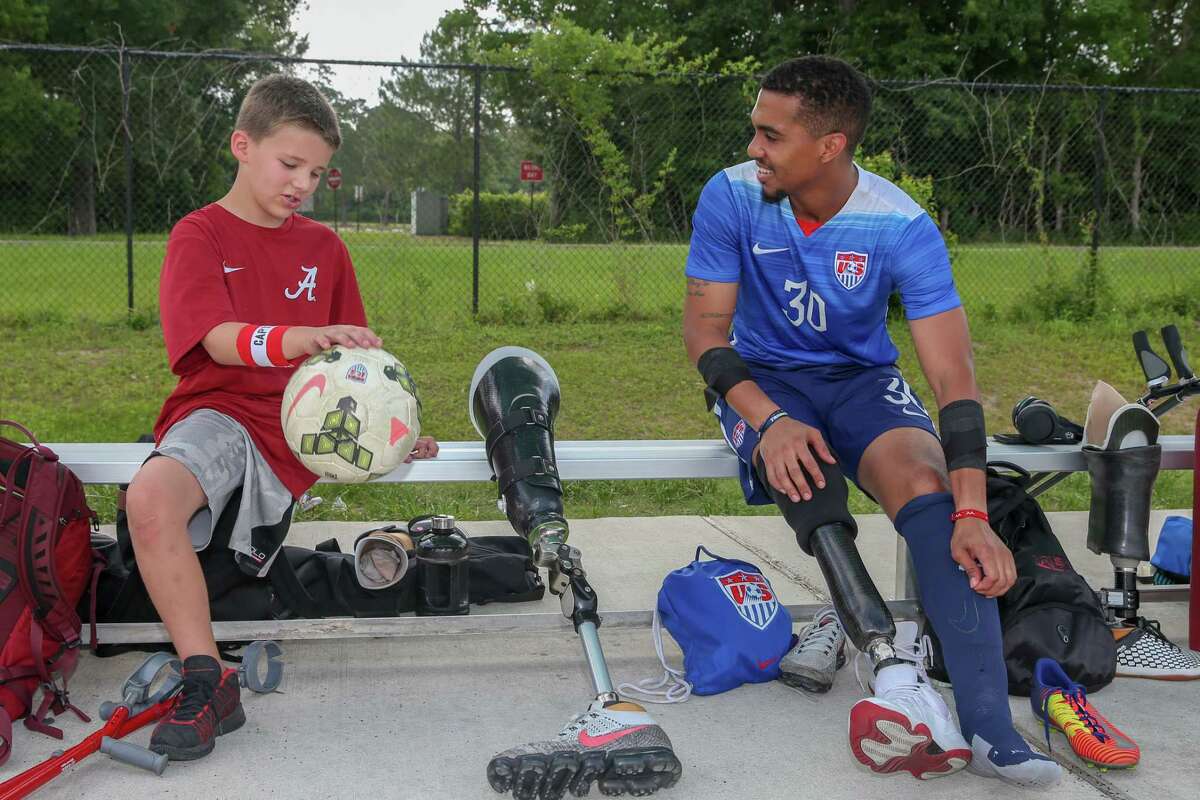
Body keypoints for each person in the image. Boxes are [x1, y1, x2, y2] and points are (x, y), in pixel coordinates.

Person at [682, 55, 1060, 787]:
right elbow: (706, 336)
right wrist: (770, 421)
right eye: (754, 131)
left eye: (770, 134)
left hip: (860, 381)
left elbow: (952, 377)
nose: (753, 147)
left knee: (933, 494)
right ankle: (891, 670)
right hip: (761, 380)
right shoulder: (730, 196)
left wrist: (975, 510)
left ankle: (989, 729)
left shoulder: (900, 225)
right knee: (801, 463)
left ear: (830, 146)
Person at [124, 74, 438, 762]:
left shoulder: (326, 249)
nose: (303, 183)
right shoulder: (199, 233)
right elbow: (212, 340)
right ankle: (208, 680)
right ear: (243, 145)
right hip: (220, 411)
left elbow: (355, 363)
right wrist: (290, 338)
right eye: (289, 164)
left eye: (318, 173)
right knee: (149, 501)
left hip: (301, 431)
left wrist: (393, 426)